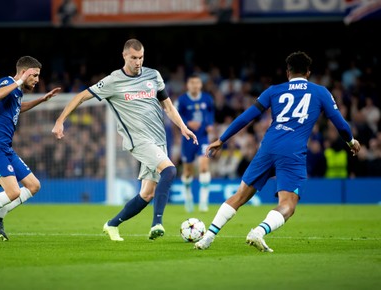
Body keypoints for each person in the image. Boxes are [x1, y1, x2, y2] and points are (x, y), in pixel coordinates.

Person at [194, 51, 361, 252]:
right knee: (288, 205)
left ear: (287, 72)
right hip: (292, 151)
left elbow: (247, 117)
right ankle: (259, 231)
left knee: (239, 196)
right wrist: (351, 141)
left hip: (268, 146)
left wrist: (221, 139)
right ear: (308, 72)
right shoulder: (320, 92)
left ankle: (208, 237)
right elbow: (340, 123)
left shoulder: (273, 91)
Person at [52, 38, 198, 241]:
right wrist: (60, 120)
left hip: (159, 140)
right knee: (170, 170)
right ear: (124, 56)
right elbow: (81, 97)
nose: (138, 62)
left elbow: (168, 106)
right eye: (134, 58)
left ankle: (111, 225)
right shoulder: (113, 81)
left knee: (147, 194)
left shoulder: (153, 75)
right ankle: (157, 223)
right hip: (138, 140)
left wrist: (183, 127)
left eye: (141, 57)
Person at [0, 56, 61, 242]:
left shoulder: (17, 92)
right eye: (35, 75)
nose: (37, 80)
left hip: (5, 148)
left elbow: (18, 108)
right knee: (13, 192)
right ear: (25, 72)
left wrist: (41, 100)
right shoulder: (7, 82)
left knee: (34, 185)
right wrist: (20, 81)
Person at [176, 73, 215, 212]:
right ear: (188, 85)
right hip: (188, 139)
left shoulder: (207, 98)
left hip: (203, 137)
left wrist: (210, 123)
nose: (195, 85)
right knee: (188, 172)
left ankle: (204, 202)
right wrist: (187, 123)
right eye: (192, 83)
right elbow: (176, 116)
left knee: (204, 166)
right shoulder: (182, 100)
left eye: (197, 83)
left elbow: (210, 112)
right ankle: (188, 197)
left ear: (200, 85)